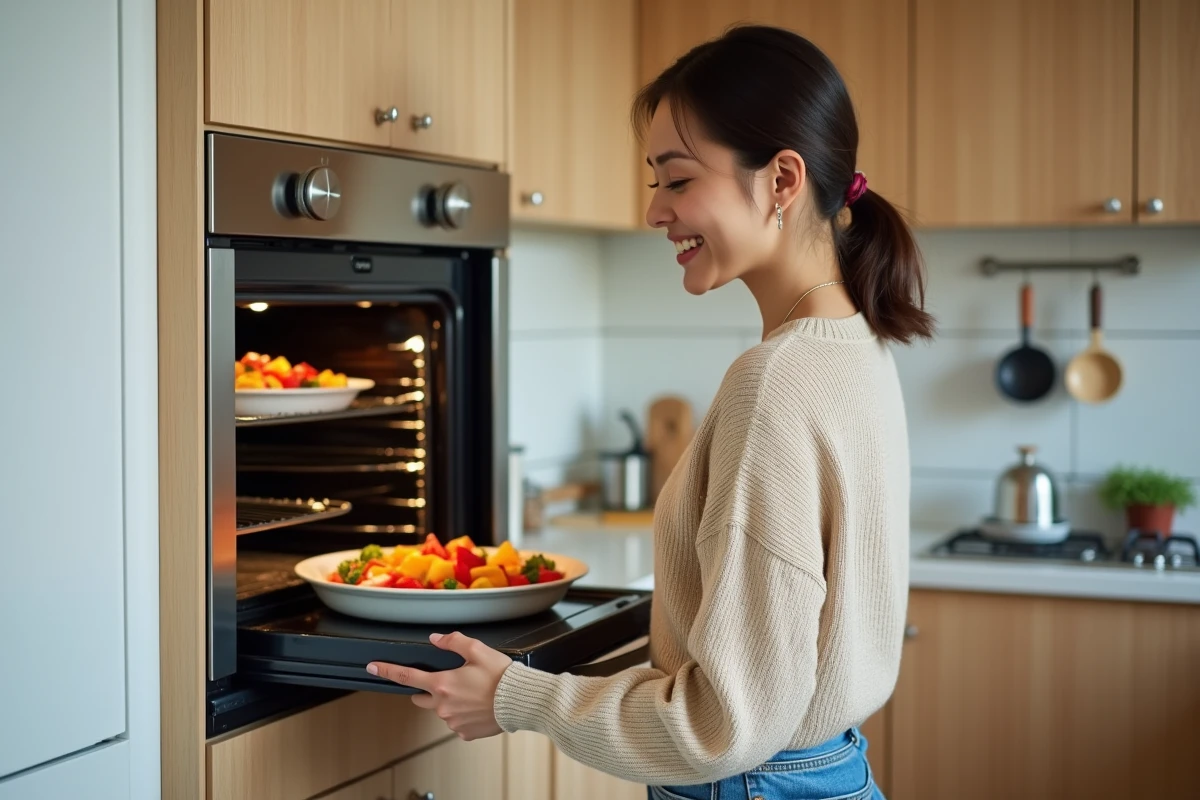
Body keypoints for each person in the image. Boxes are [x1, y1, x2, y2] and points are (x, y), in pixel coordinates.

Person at [366, 24, 934, 800]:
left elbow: (723, 724)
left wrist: (516, 697)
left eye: (678, 180)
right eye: (654, 182)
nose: (655, 211)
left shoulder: (774, 381)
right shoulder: (856, 345)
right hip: (826, 773)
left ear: (782, 178)